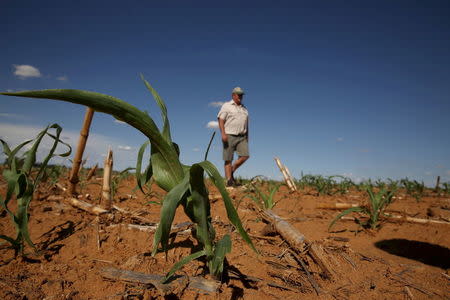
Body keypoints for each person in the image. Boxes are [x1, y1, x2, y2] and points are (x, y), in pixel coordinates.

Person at [217, 87, 249, 187]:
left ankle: (231, 171)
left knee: (245, 156)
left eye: (241, 95)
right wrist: (223, 134)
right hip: (229, 134)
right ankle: (229, 182)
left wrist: (247, 136)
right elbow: (221, 120)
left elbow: (246, 124)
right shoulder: (227, 106)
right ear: (233, 95)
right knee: (228, 159)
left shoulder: (244, 109)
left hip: (242, 136)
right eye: (238, 94)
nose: (240, 96)